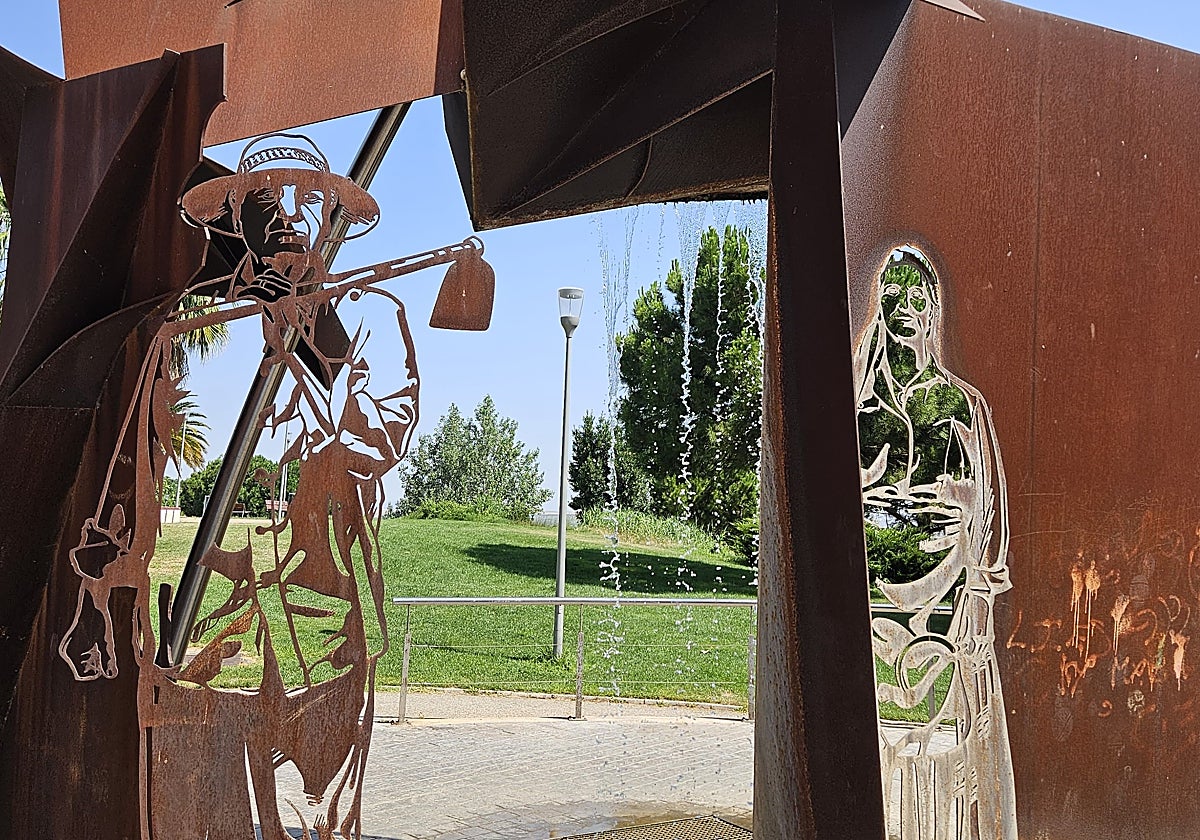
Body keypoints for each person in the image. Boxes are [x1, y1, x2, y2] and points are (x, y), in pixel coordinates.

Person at [58, 133, 421, 840]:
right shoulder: (185, 326)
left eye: (303, 198)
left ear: (328, 215)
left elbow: (380, 439)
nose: (285, 213)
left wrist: (310, 335)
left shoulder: (370, 315)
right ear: (233, 221)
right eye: (262, 200)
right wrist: (95, 598)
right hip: (201, 638)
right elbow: (135, 465)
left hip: (321, 630)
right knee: (194, 815)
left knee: (314, 819)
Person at [854, 247, 1017, 840]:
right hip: (873, 603)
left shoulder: (963, 406)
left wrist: (979, 593)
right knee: (877, 748)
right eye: (893, 294)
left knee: (946, 755)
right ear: (880, 308)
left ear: (933, 311)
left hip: (947, 606)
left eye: (918, 296)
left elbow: (990, 513)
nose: (906, 306)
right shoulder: (856, 409)